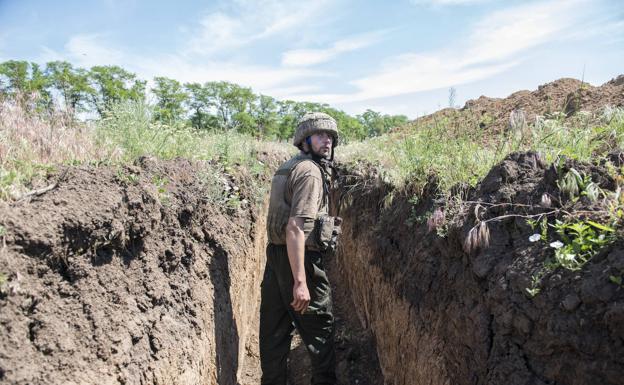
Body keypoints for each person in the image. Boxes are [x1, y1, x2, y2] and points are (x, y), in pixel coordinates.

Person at [260, 112, 342, 385]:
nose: (327, 141)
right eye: (320, 135)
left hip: (276, 257)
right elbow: (295, 228)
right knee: (320, 330)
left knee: (274, 332)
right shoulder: (309, 172)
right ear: (304, 141)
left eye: (330, 136)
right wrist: (300, 282)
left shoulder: (288, 166)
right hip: (300, 259)